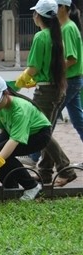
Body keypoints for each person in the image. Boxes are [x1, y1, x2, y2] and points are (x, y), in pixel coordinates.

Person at [15, 0, 76, 186]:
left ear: (38, 16)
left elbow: (33, 67)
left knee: (41, 132)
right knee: (46, 129)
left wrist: (19, 82)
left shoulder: (41, 37)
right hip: (57, 88)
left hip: (46, 92)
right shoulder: (57, 35)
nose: (33, 16)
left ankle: (66, 168)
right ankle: (45, 173)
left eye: (35, 13)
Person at [0, 75, 52, 200]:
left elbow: (14, 140)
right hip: (13, 132)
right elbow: (3, 130)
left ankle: (32, 186)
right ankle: (10, 186)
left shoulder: (20, 110)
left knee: (0, 153)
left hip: (38, 135)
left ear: (6, 93)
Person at [56, 0, 83, 167]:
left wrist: (55, 70)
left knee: (48, 118)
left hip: (70, 80)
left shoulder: (67, 28)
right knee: (78, 120)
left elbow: (72, 59)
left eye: (56, 6)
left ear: (64, 8)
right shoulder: (68, 26)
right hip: (74, 79)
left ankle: (35, 156)